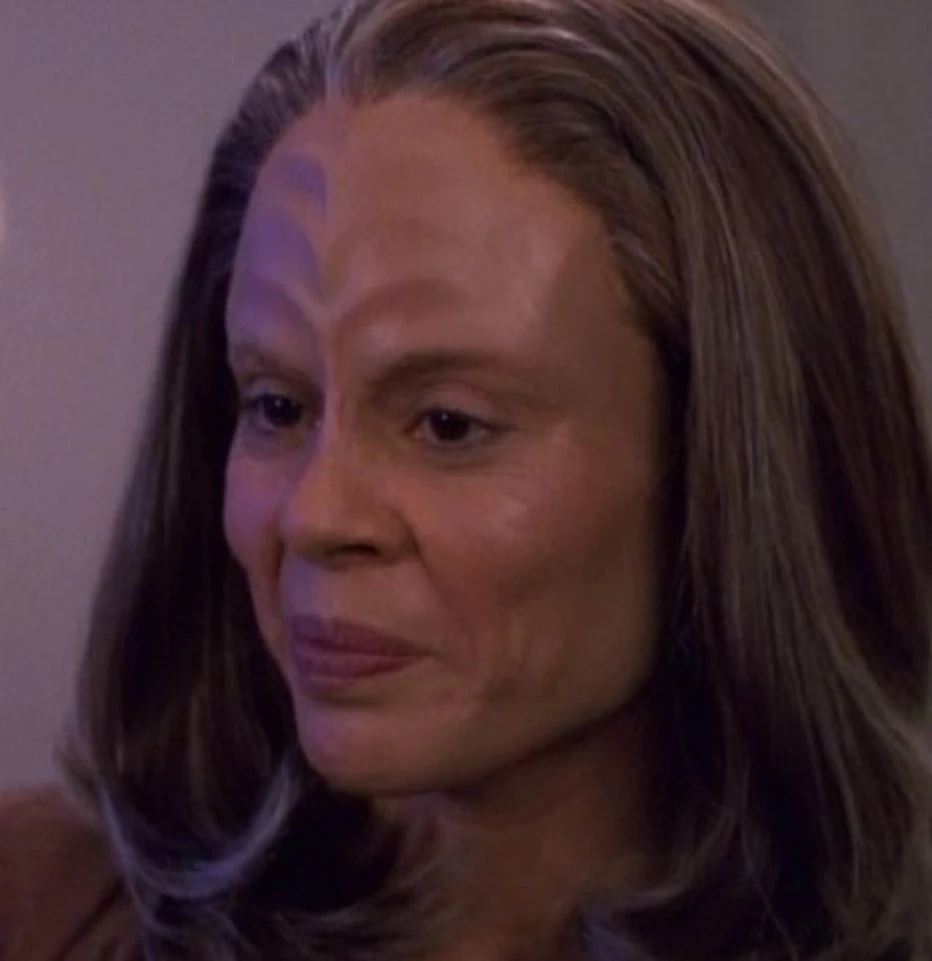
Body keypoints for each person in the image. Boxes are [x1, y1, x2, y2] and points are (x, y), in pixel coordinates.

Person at [2, 0, 931, 958]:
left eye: (448, 424)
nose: (315, 516)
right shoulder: (38, 908)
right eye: (276, 407)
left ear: (728, 461)